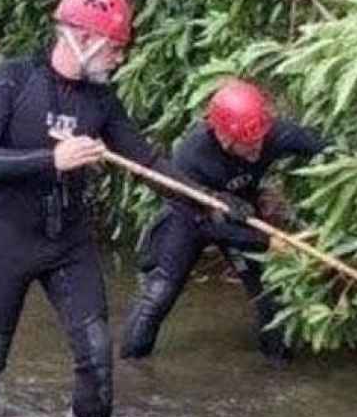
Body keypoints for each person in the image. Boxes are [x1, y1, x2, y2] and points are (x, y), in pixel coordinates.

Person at [0, 0, 187, 417]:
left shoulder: (101, 100)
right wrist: (52, 159)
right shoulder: (12, 77)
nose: (119, 59)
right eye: (114, 48)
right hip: (6, 242)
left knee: (98, 356)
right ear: (82, 38)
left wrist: (214, 202)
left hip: (69, 246)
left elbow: (147, 161)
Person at [118, 79, 328, 362]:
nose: (256, 150)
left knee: (268, 294)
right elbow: (206, 222)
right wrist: (266, 240)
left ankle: (278, 363)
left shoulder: (272, 134)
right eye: (247, 145)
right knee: (159, 294)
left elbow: (321, 145)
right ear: (224, 138)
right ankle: (132, 365)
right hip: (190, 217)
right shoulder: (192, 155)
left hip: (242, 213)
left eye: (259, 142)